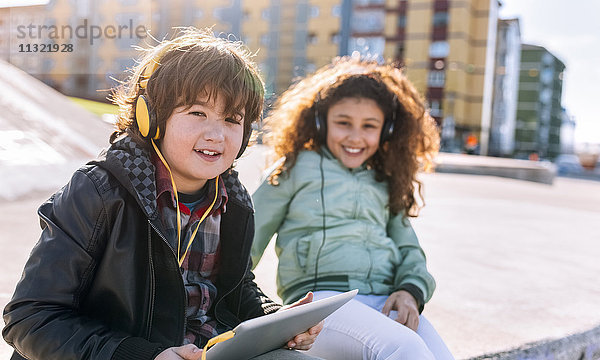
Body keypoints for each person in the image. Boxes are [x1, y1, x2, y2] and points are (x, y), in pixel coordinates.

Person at [2, 27, 323, 360]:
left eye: (232, 119)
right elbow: (30, 318)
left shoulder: (233, 198)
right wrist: (144, 356)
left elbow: (235, 291)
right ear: (150, 118)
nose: (216, 134)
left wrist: (277, 320)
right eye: (197, 113)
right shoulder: (97, 192)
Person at [251, 57, 454, 360]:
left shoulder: (385, 181)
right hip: (321, 305)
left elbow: (410, 251)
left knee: (438, 355)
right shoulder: (294, 169)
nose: (355, 137)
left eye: (369, 126)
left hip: (385, 303)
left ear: (386, 132)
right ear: (321, 121)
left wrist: (411, 292)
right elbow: (247, 237)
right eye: (343, 123)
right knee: (404, 349)